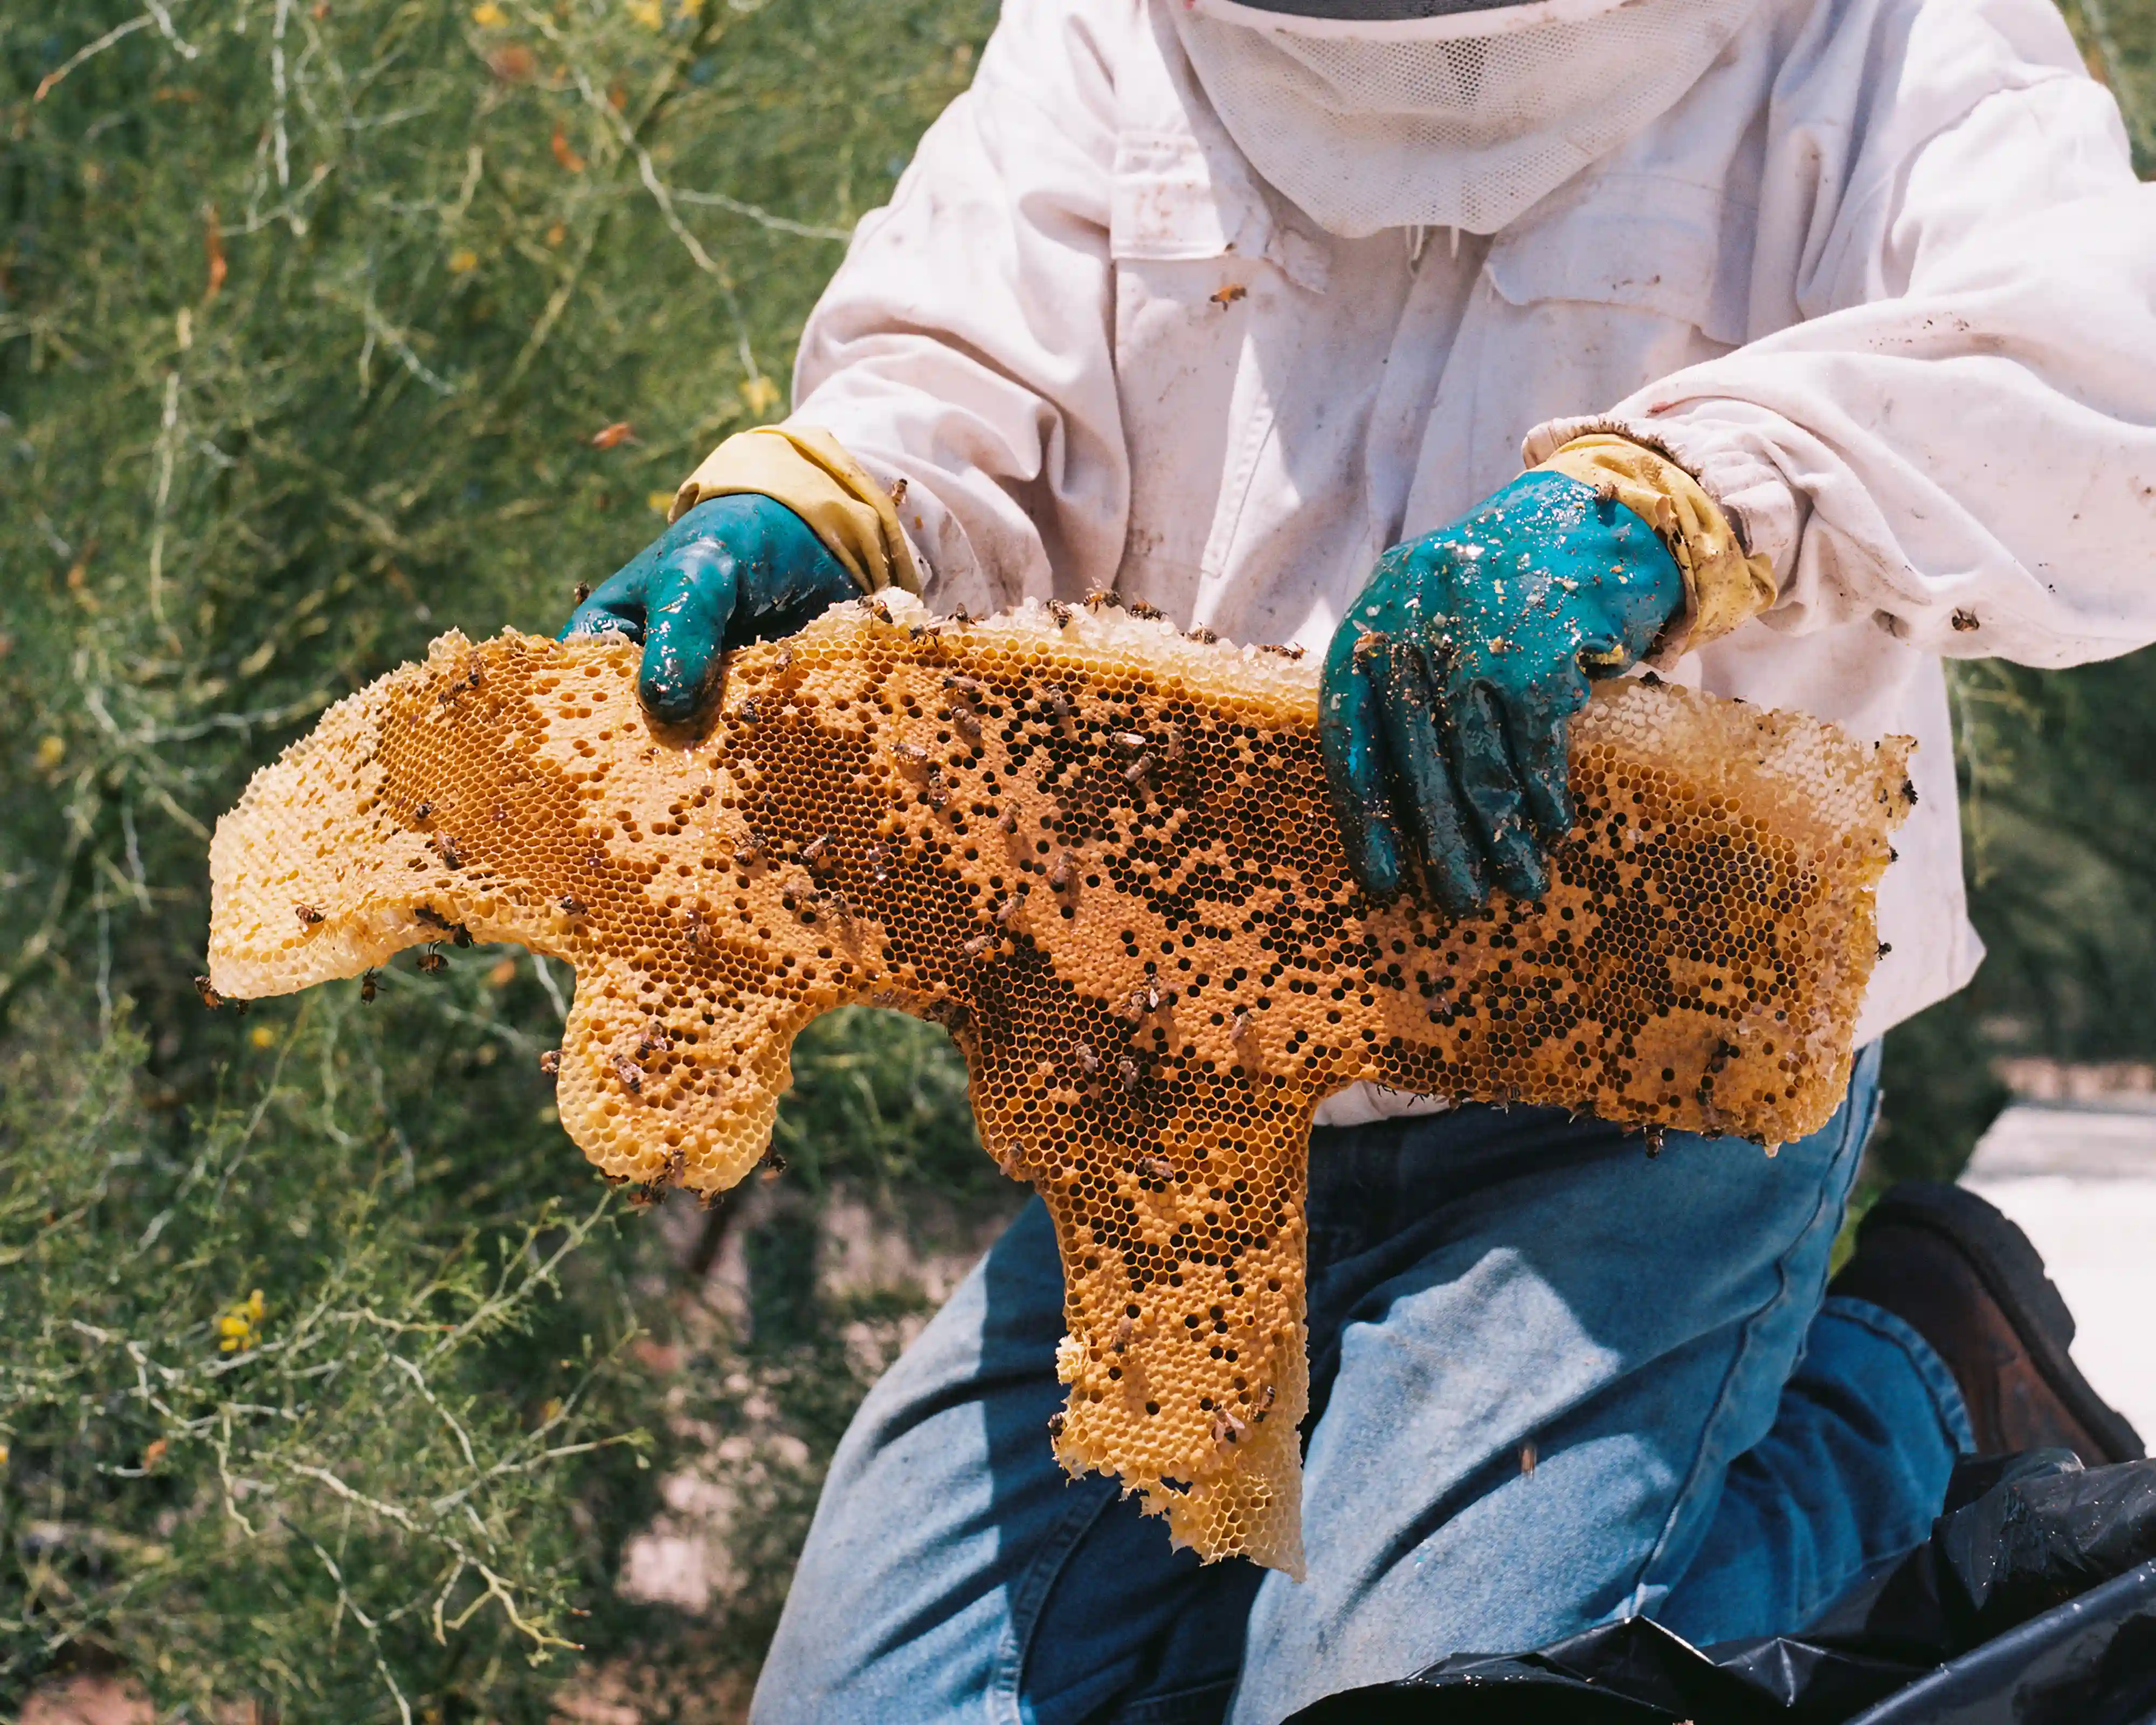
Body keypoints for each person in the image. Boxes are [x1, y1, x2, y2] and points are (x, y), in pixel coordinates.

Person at [560, 0, 2156, 1716]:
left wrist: (1689, 502)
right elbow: (971, 362)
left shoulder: (1877, 29)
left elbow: (2095, 365)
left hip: (1651, 1089)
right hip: (1194, 1068)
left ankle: (1914, 1391)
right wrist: (832, 502)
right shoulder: (1131, 28)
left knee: (1427, 1697)